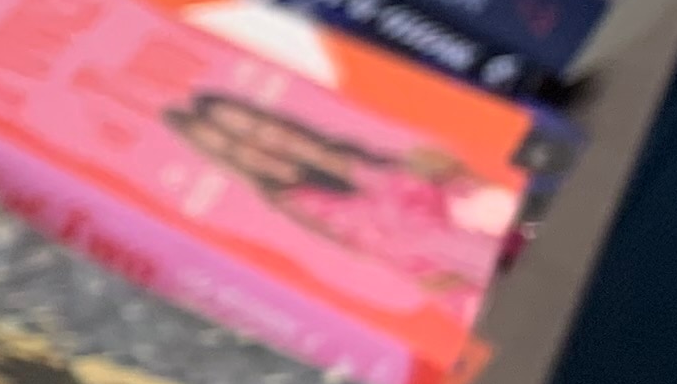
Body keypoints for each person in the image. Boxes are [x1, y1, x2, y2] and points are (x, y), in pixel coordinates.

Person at [160, 91, 515, 299]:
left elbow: (452, 161)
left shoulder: (344, 122)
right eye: (234, 146)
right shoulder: (302, 204)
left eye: (254, 127)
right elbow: (407, 245)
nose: (256, 145)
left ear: (266, 116)